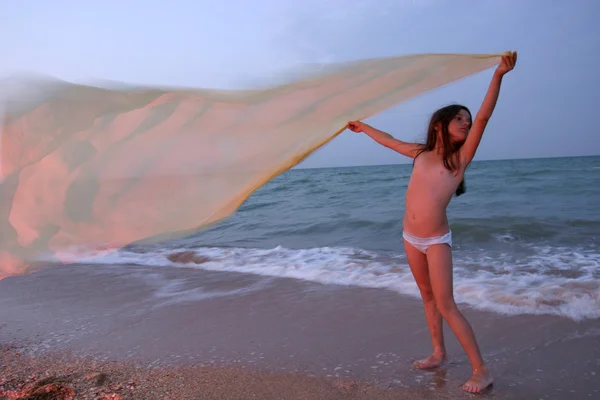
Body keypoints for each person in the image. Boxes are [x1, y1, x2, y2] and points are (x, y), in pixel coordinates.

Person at [347, 52, 517, 394]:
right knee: (426, 296)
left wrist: (498, 74)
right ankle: (438, 353)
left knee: (446, 303)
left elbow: (484, 117)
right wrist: (362, 127)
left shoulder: (459, 159)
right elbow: (388, 140)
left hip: (436, 241)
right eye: (460, 119)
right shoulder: (420, 153)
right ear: (441, 124)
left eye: (467, 121)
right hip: (410, 237)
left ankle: (481, 369)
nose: (466, 123)